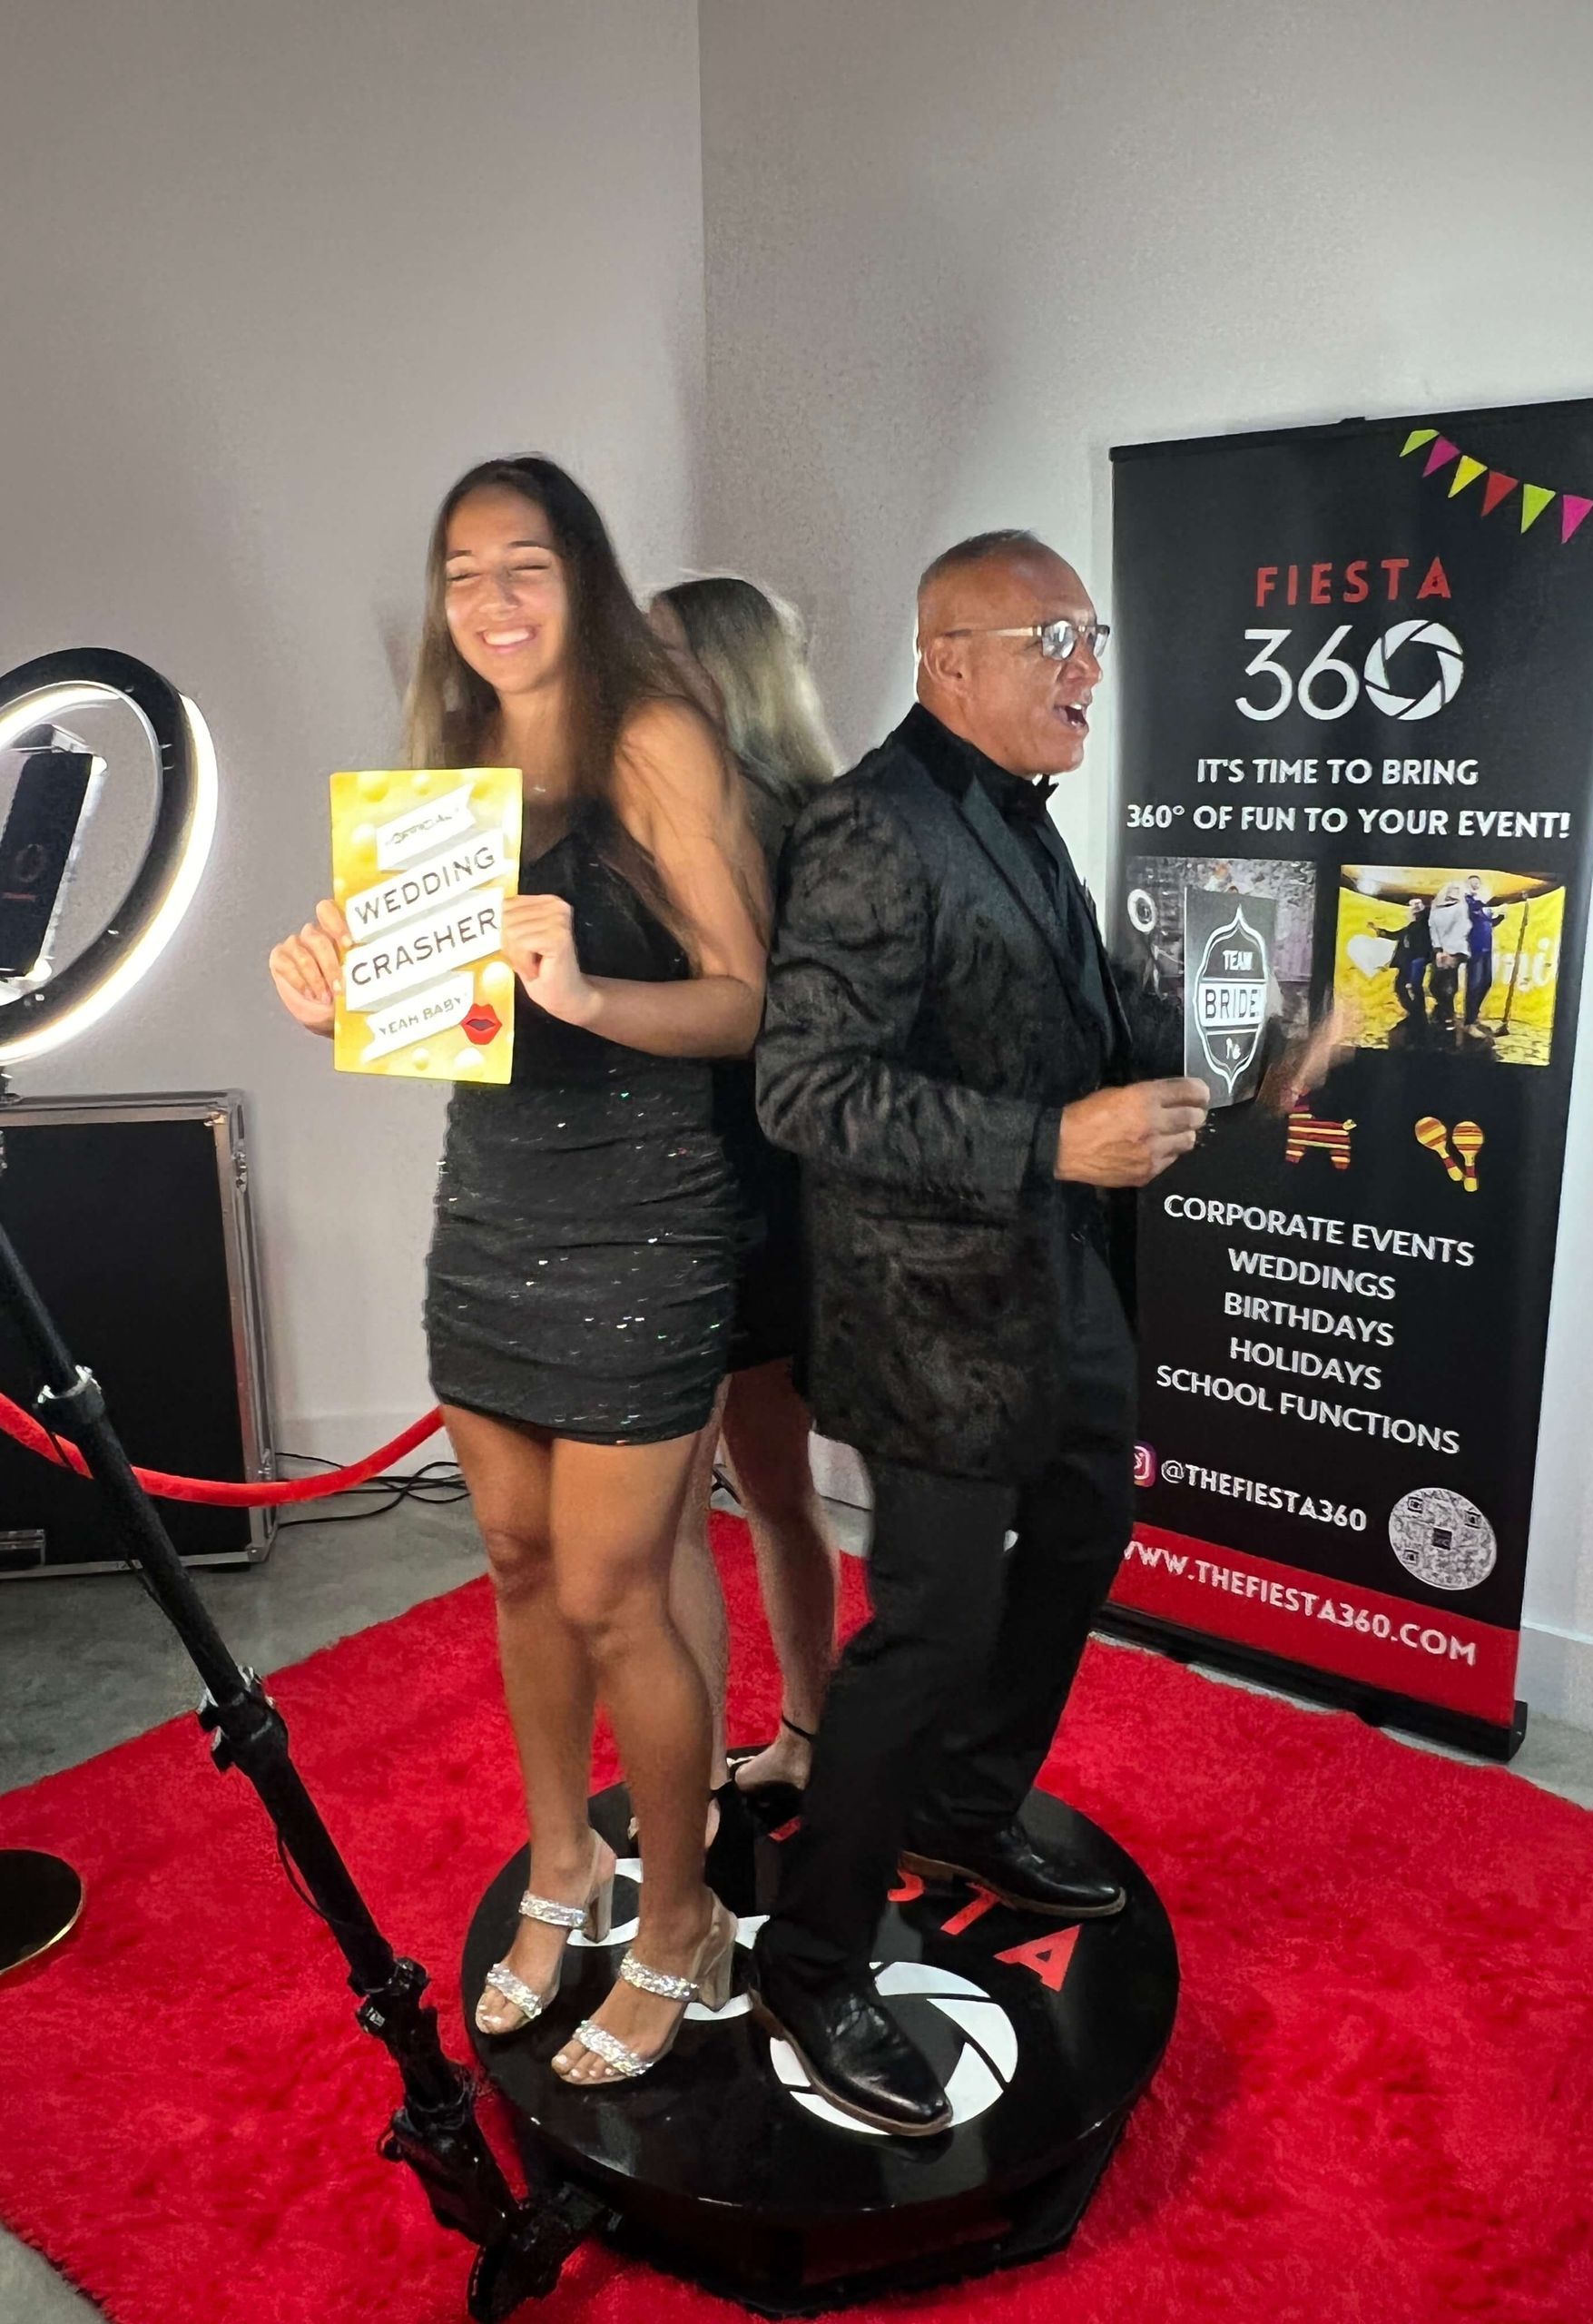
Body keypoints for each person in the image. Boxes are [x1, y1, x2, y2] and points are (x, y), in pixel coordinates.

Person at [267, 457, 768, 2088]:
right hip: (488, 1216)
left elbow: (746, 1000)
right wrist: (332, 999)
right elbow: (435, 1024)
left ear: (583, 577)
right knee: (513, 1562)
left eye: (526, 564)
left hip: (645, 1224)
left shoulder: (657, 738)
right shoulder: (448, 766)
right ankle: (568, 1863)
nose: (492, 599)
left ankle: (682, 1916)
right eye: (463, 570)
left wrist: (592, 993)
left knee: (619, 1592)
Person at [745, 528, 1209, 2136]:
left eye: (1092, 638)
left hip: (1058, 1278)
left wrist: (1243, 1051)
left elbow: (1070, 1018)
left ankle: (964, 1804)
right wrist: (1054, 1142)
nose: (1087, 669)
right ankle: (812, 1957)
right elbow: (805, 1089)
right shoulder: (872, 824)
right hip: (928, 1312)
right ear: (948, 660)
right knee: (933, 1627)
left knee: (1086, 1531)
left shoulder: (1015, 807)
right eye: (1051, 640)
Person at [645, 576, 840, 1802]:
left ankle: (701, 1793)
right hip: (779, 1191)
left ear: (728, 671)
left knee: (677, 1518)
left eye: (663, 653)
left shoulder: (726, 825)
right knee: (776, 1488)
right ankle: (802, 1742)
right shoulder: (823, 819)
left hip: (708, 1195)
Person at [1371, 894, 1431, 1016]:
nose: (1411, 912)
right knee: (1406, 987)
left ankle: (1417, 1012)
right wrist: (1381, 932)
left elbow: (1403, 936)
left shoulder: (1422, 926)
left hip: (1414, 962)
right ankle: (1416, 1011)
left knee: (1411, 987)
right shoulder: (1414, 926)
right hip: (1409, 962)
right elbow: (1399, 935)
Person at [1461, 873, 1506, 1029]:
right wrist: (1490, 905)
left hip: (1487, 948)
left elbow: (1488, 923)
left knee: (1486, 982)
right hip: (1475, 948)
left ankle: (1474, 1014)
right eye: (1472, 883)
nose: (1475, 885)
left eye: (1477, 883)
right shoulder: (1467, 901)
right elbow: (1474, 909)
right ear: (1467, 885)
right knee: (1474, 984)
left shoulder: (1483, 907)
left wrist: (1500, 917)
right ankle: (1469, 1020)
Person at [1427, 879, 1471, 1026]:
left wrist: (1449, 952)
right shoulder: (1436, 907)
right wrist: (1438, 950)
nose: (1455, 893)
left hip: (1455, 949)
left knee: (1449, 984)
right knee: (1434, 985)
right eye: (1452, 889)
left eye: (1458, 890)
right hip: (1440, 950)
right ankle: (1444, 1011)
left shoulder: (1461, 907)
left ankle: (1447, 1015)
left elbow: (1461, 929)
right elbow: (1433, 929)